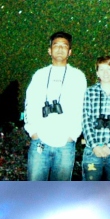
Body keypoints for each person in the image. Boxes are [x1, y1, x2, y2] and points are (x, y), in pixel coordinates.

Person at [24, 31, 87, 180]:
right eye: (56, 45)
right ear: (49, 50)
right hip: (40, 141)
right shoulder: (40, 75)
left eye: (64, 46)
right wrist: (33, 132)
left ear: (70, 52)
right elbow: (30, 103)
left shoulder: (78, 76)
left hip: (66, 144)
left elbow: (82, 107)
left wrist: (73, 135)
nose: (60, 49)